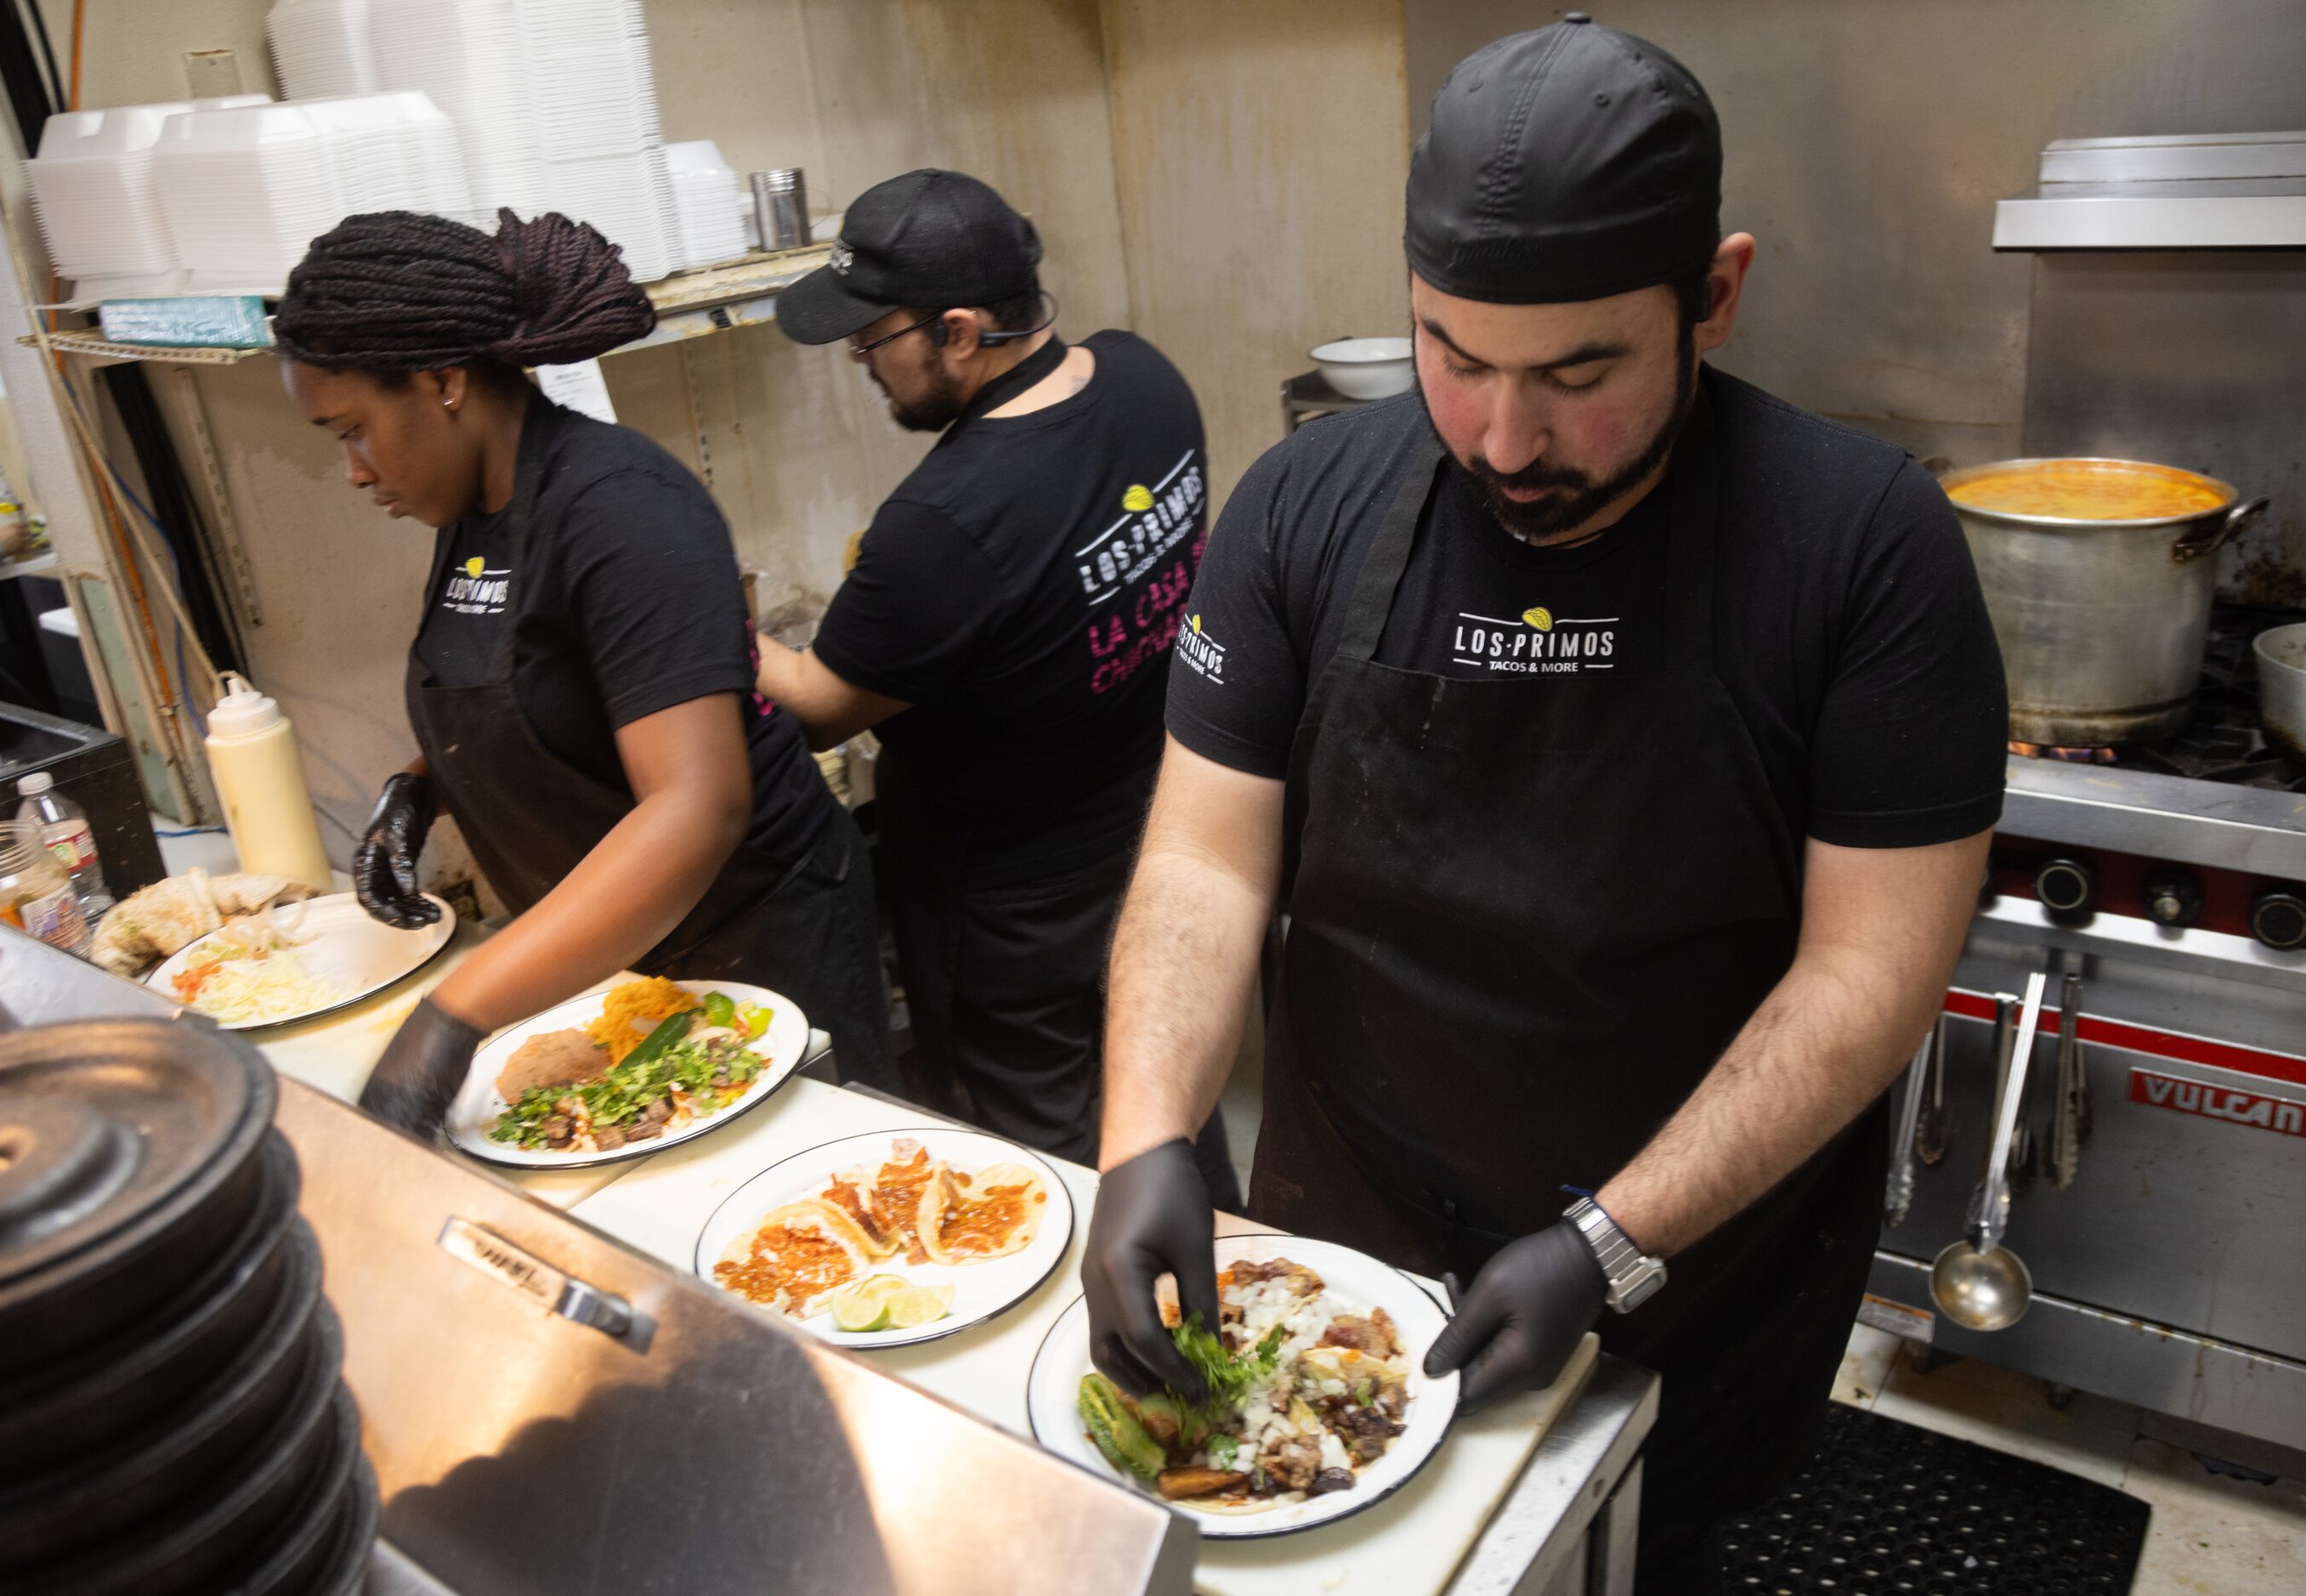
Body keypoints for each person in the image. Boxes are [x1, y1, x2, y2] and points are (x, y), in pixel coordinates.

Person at [1079, 17, 2006, 1588]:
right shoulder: (1306, 502)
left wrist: (1614, 1242)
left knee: (1630, 1554)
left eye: (1579, 374)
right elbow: (1205, 859)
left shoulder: (1861, 547)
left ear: (1714, 294)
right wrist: (1144, 1133)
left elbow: (1874, 969)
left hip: (1679, 1254)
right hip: (1347, 1216)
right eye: (1453, 355)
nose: (1505, 440)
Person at [272, 207, 895, 1134]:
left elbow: (695, 807)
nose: (355, 471)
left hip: (751, 952)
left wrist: (455, 1012)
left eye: (351, 429)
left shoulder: (624, 515)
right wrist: (420, 791)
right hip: (622, 970)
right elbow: (542, 699)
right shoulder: (477, 516)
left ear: (443, 381)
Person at [756, 170, 1235, 1201]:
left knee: (1062, 1164)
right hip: (1153, 835)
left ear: (961, 331)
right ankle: (1236, 1292)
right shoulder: (1147, 379)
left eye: (872, 338)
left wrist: (706, 616)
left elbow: (821, 703)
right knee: (1169, 1100)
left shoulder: (943, 520)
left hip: (1008, 911)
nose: (861, 364)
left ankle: (1122, 1348)